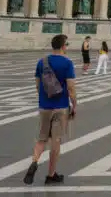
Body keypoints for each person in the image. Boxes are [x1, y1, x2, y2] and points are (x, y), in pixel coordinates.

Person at [24, 34, 77, 186]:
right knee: (56, 140)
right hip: (60, 107)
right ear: (63, 46)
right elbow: (71, 88)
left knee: (41, 139)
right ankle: (51, 174)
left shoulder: (42, 62)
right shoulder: (67, 63)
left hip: (44, 106)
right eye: (67, 44)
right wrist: (74, 105)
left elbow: (37, 84)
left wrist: (44, 99)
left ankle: (34, 162)